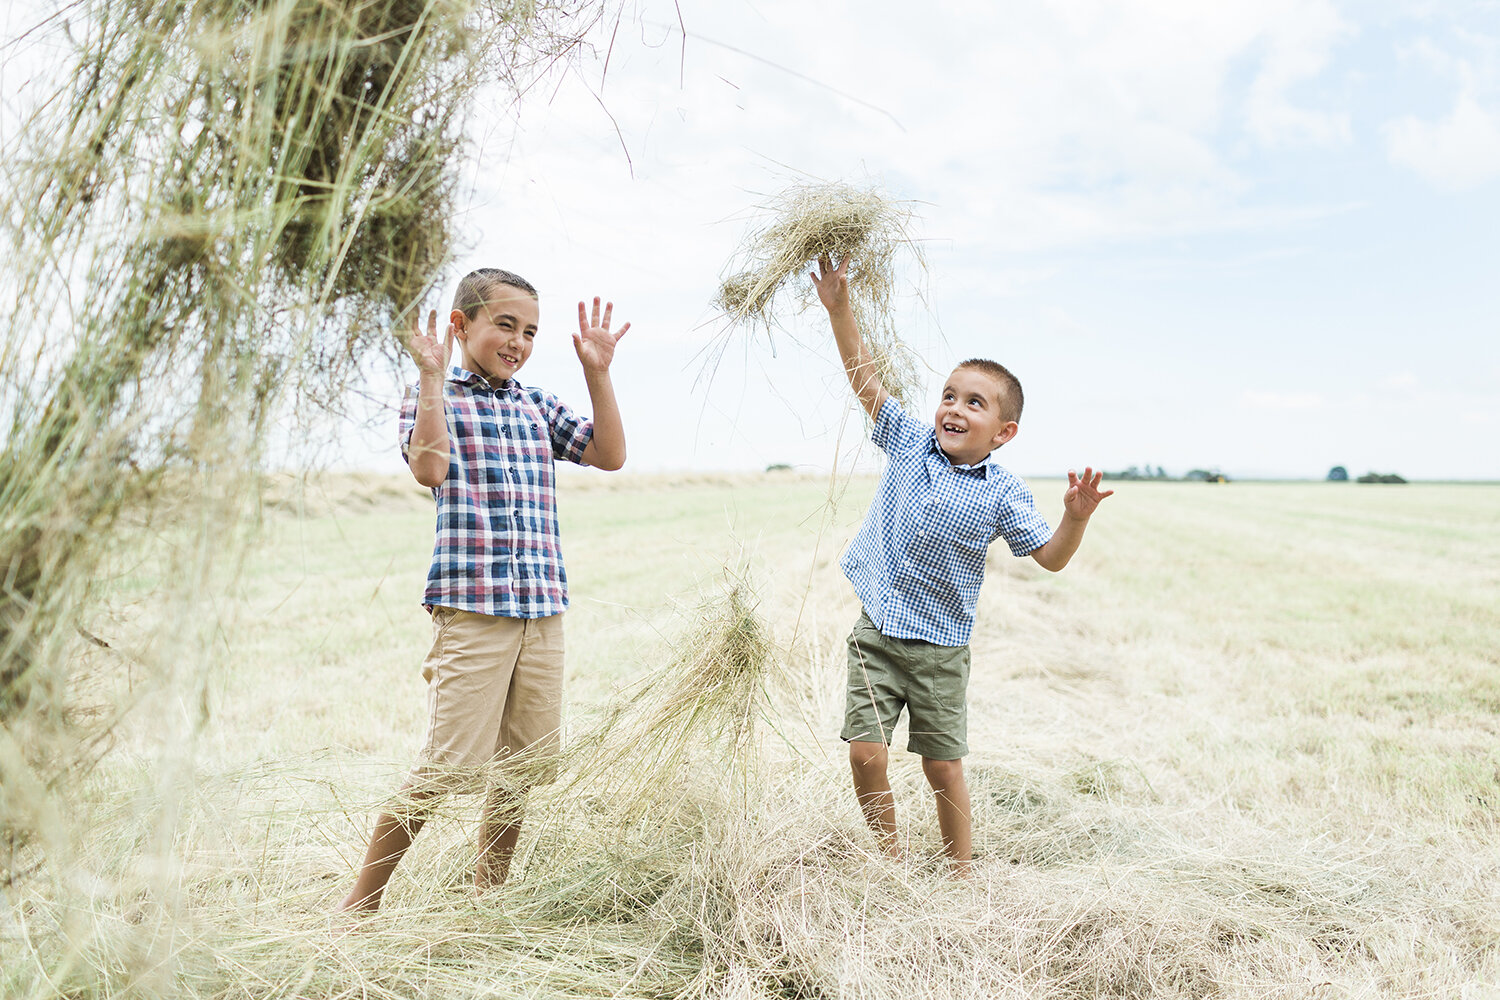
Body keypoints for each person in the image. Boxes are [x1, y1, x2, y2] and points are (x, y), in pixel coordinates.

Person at [338, 268, 629, 914]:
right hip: (473, 610)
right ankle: (359, 905)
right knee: (445, 768)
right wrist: (431, 375)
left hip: (542, 610)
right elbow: (429, 467)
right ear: (460, 324)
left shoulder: (536, 405)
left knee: (520, 771)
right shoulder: (433, 398)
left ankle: (486, 899)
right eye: (505, 325)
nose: (518, 341)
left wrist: (597, 373)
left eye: (529, 331)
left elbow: (608, 454)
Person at [810, 254, 1112, 876]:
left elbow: (1050, 559)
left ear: (1003, 432)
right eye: (949, 395)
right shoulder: (910, 443)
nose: (954, 408)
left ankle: (960, 870)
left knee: (940, 765)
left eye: (974, 403)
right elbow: (865, 379)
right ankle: (890, 861)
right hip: (877, 636)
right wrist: (841, 310)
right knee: (865, 754)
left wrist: (1075, 518)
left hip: (941, 649)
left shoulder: (1004, 492)